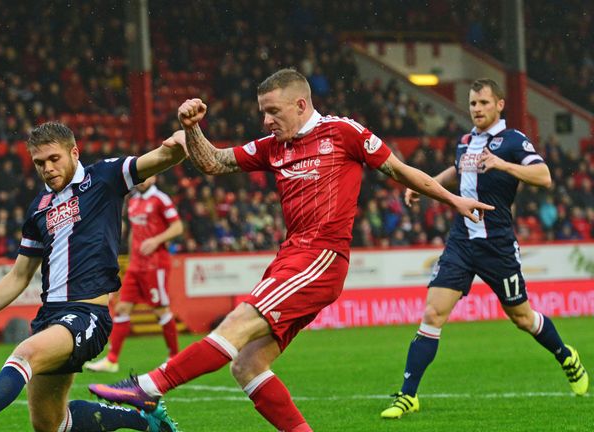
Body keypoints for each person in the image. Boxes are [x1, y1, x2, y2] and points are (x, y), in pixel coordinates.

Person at [89, 68, 494, 432]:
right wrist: (192, 128)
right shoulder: (272, 146)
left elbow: (401, 171)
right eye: (262, 112)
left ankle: (148, 387)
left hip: (321, 258)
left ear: (301, 104)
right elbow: (213, 162)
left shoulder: (344, 133)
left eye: (272, 111)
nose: (265, 120)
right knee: (246, 364)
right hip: (290, 259)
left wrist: (454, 200)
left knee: (237, 322)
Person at [0, 122, 187, 432]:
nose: (48, 169)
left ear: (74, 152)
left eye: (54, 159)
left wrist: (179, 142)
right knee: (50, 424)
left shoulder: (104, 177)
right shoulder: (38, 208)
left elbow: (161, 158)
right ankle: (143, 419)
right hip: (49, 318)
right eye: (40, 163)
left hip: (86, 315)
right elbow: (18, 275)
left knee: (23, 355)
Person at [379, 78, 589, 419]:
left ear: (499, 105)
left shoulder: (513, 141)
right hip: (461, 241)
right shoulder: (465, 142)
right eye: (473, 103)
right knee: (433, 314)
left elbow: (544, 176)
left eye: (483, 103)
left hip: (498, 245)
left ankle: (566, 355)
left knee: (521, 317)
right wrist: (425, 184)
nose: (476, 109)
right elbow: (458, 170)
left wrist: (505, 165)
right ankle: (408, 395)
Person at [85, 175, 184, 373]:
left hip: (155, 265)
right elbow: (133, 232)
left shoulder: (161, 199)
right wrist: (131, 259)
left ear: (154, 178)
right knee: (122, 308)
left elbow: (178, 227)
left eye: (145, 177)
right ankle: (112, 361)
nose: (140, 181)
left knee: (160, 310)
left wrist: (156, 240)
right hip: (136, 265)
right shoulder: (133, 200)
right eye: (139, 177)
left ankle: (174, 358)